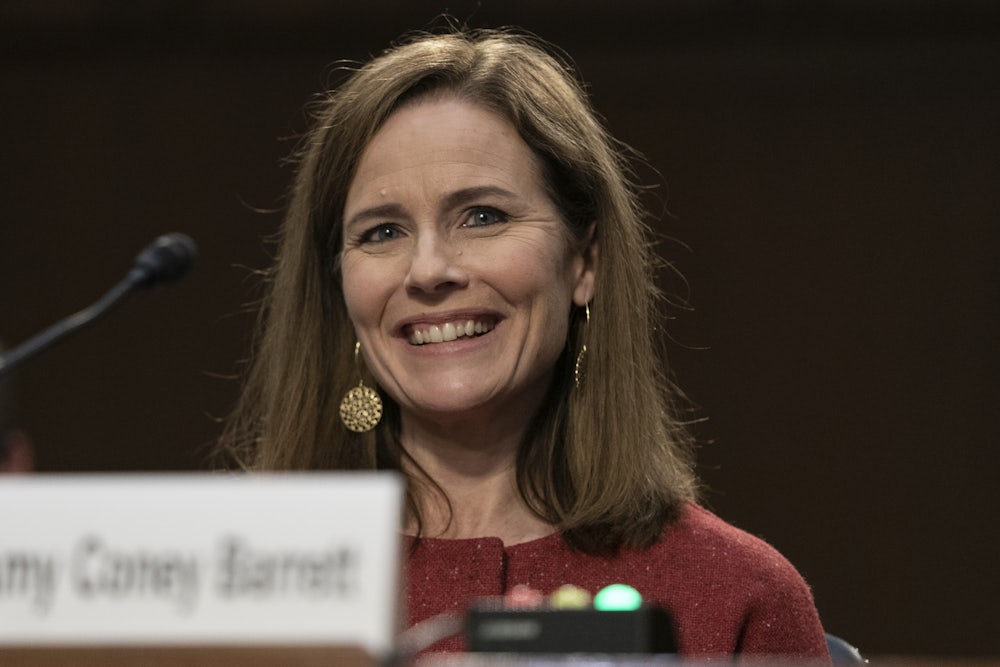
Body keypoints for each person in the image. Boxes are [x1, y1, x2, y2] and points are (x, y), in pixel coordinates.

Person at [221, 27, 830, 660]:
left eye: (483, 216)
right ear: (339, 285)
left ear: (583, 261)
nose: (428, 270)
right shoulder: (236, 582)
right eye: (382, 232)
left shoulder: (735, 593)